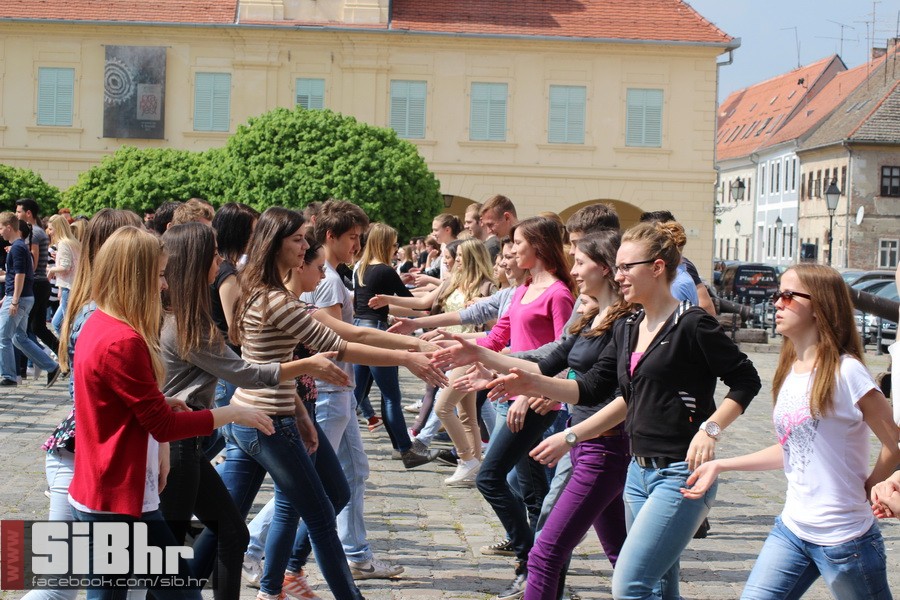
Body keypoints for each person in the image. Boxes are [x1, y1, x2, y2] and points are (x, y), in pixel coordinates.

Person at [488, 221, 760, 600]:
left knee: (630, 584)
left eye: (626, 267)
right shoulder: (629, 326)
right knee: (660, 588)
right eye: (616, 268)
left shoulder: (692, 324)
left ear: (657, 267)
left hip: (679, 473)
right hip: (637, 473)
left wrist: (710, 429)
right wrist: (532, 385)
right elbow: (591, 388)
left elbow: (746, 380)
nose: (618, 276)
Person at [218, 207, 444, 599]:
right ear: (276, 246)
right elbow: (339, 345)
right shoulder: (276, 301)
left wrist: (302, 416)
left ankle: (270, 589)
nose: (304, 247)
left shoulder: (266, 293)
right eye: (297, 241)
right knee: (317, 514)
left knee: (325, 496)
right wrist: (408, 355)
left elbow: (290, 359)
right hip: (267, 420)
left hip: (273, 414)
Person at [67, 226, 274, 600]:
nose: (164, 284)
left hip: (101, 490)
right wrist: (231, 413)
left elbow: (115, 404)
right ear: (136, 276)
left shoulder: (99, 323)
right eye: (160, 274)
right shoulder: (123, 339)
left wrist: (162, 403)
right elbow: (162, 427)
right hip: (120, 498)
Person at [435, 231, 633, 600]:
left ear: (605, 268)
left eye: (580, 262)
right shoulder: (593, 317)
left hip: (602, 447)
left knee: (545, 553)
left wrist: (547, 409)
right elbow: (545, 360)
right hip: (585, 443)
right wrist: (484, 358)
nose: (573, 270)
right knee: (624, 558)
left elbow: (594, 390)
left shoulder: (626, 324)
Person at [158, 222, 350, 599]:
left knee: (231, 531)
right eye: (214, 255)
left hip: (191, 441)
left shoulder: (188, 317)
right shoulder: (186, 325)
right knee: (168, 553)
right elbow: (246, 372)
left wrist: (299, 409)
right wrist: (306, 366)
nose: (221, 262)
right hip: (179, 443)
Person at [686, 263, 899, 600]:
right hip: (792, 531)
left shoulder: (848, 372)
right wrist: (721, 464)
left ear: (820, 306)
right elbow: (792, 448)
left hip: (845, 541)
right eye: (777, 295)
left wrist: (872, 484)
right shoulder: (791, 368)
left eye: (788, 295)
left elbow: (894, 442)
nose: (776, 303)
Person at [0, 213, 60, 387]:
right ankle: (51, 367)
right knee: (19, 337)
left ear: (9, 227)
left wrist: (14, 300)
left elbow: (20, 275)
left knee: (3, 337)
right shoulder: (19, 246)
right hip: (23, 297)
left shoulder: (17, 248)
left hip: (19, 298)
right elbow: (16, 275)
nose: (0, 232)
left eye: (1, 228)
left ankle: (9, 376)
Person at [16, 198, 60, 359]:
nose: (16, 214)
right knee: (38, 328)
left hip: (36, 284)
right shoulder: (36, 231)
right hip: (41, 284)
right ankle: (63, 356)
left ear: (28, 213)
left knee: (23, 329)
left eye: (18, 211)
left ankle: (33, 363)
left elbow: (32, 265)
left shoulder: (34, 233)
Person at [46, 214, 81, 335]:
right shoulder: (72, 242)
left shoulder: (63, 243)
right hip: (71, 287)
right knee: (57, 323)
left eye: (51, 229)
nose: (49, 232)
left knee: (67, 325)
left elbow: (65, 267)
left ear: (58, 229)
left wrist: (52, 270)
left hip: (68, 287)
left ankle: (71, 346)